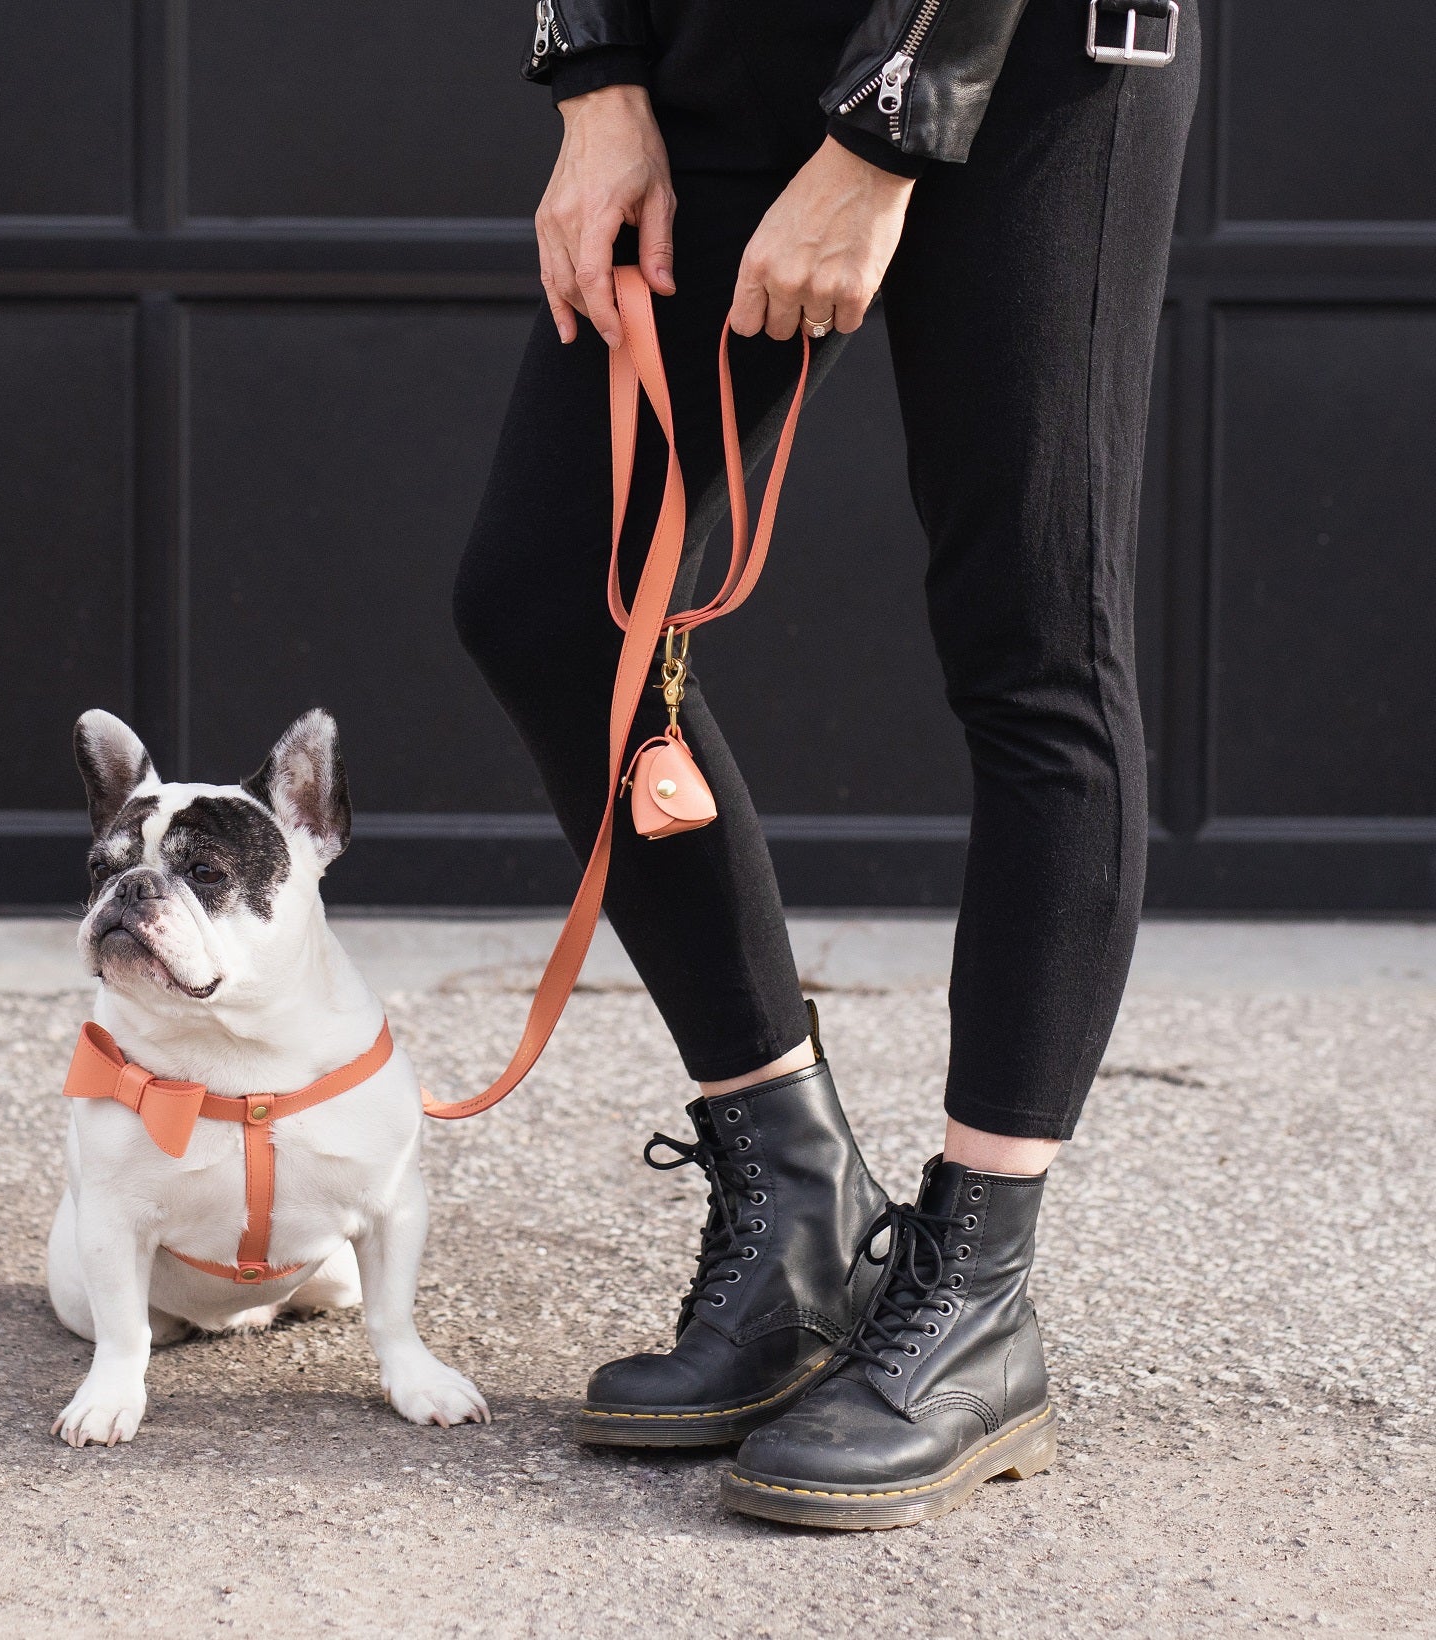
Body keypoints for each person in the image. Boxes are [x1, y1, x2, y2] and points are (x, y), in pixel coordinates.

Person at [454, 0, 1198, 1527]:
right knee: (550, 601)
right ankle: (797, 1202)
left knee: (1037, 645)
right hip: (723, 41)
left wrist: (887, 131)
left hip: (1038, 58)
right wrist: (593, 79)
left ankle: (978, 1291)